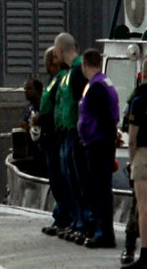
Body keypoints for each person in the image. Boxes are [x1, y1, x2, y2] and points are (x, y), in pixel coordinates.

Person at [78, 48, 119, 249]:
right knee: (102, 190)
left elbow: (102, 119)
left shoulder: (95, 88)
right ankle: (103, 231)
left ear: (85, 65)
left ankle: (104, 233)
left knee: (100, 190)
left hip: (98, 144)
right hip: (102, 143)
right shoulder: (104, 83)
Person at [53, 31, 91, 243]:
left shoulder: (77, 71)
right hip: (66, 130)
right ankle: (77, 221)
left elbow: (80, 104)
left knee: (78, 179)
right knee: (69, 178)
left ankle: (84, 222)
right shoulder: (69, 72)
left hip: (74, 132)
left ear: (60, 49)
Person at [33, 46, 70, 236]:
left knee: (61, 178)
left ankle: (65, 217)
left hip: (55, 134)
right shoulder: (52, 81)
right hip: (49, 134)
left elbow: (57, 107)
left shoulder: (61, 80)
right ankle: (60, 216)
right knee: (55, 179)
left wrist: (41, 119)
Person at [128, 57, 147, 268]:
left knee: (143, 208)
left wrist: (133, 157)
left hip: (143, 154)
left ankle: (144, 253)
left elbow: (132, 137)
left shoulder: (138, 101)